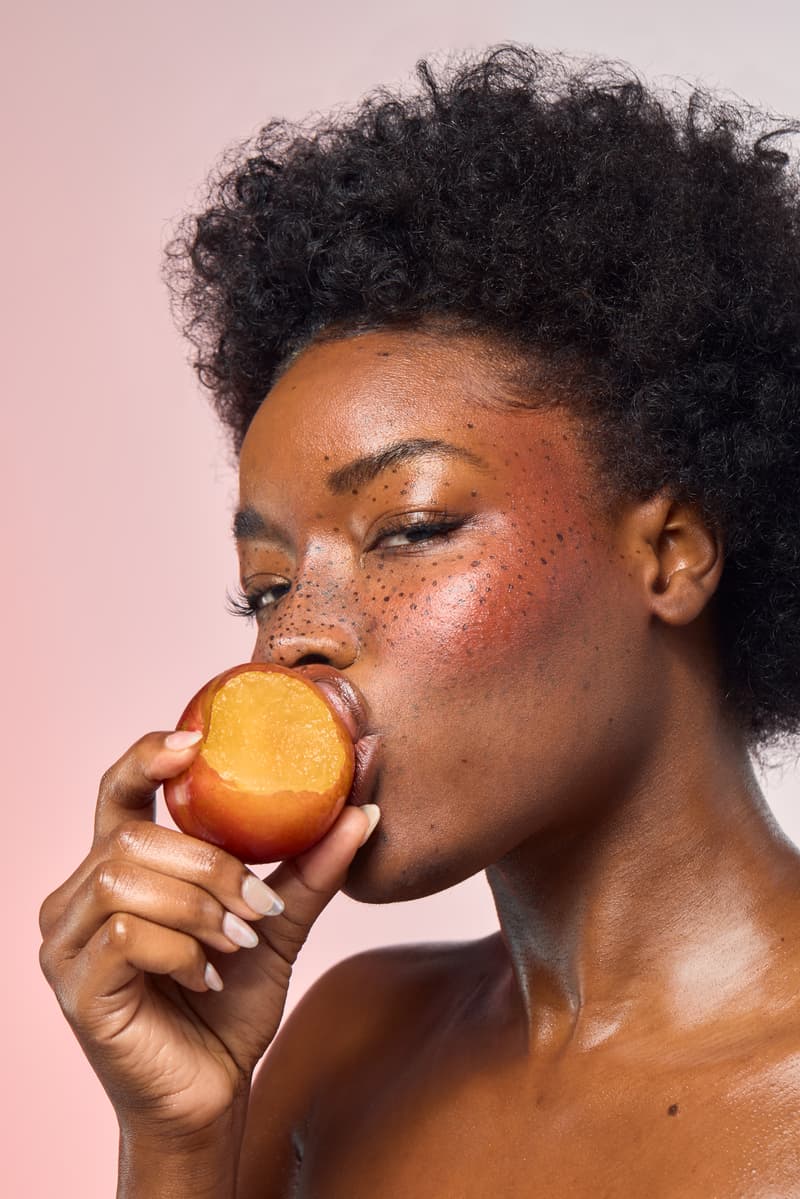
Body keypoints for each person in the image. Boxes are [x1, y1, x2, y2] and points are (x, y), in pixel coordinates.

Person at [39, 45, 800, 1197]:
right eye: (265, 582)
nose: (293, 636)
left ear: (669, 552)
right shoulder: (343, 1049)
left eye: (407, 526)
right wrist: (180, 1139)